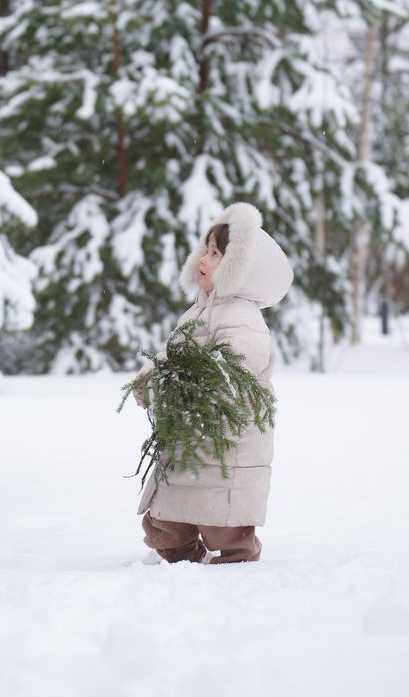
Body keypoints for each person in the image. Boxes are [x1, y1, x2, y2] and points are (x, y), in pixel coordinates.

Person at [134, 201, 293, 565]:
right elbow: (174, 352)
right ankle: (181, 551)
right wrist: (153, 377)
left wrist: (199, 376)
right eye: (205, 251)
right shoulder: (197, 312)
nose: (204, 260)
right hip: (191, 430)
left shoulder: (243, 316)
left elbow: (240, 361)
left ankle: (237, 558)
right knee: (166, 516)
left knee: (223, 511)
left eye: (217, 253)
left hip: (228, 436)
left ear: (241, 267)